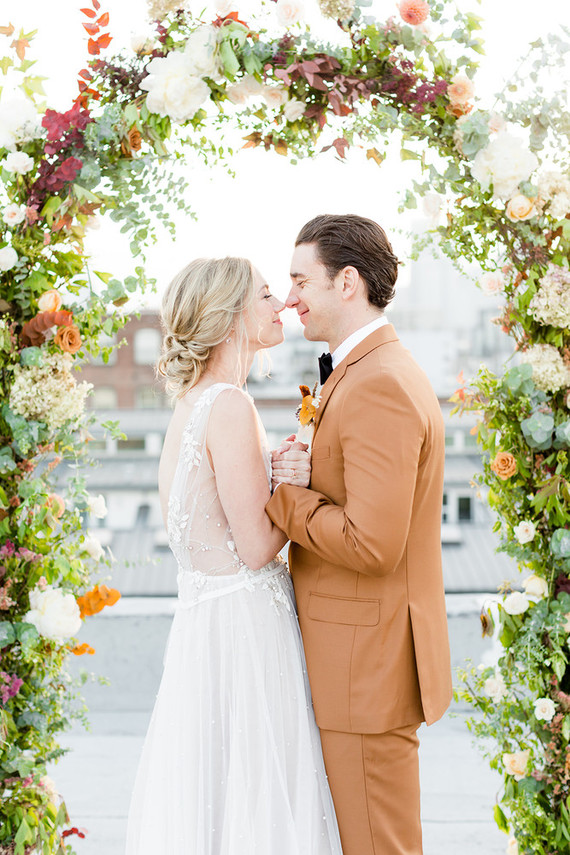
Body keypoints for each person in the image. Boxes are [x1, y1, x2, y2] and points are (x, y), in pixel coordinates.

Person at [125, 257, 343, 855]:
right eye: (267, 295)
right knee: (260, 799)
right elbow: (255, 547)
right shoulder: (229, 406)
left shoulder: (192, 406)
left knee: (217, 800)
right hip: (246, 631)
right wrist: (296, 485)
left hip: (205, 629)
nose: (280, 306)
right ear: (229, 317)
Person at [268, 214, 452, 855]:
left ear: (347, 282)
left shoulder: (378, 384)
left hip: (363, 670)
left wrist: (287, 499)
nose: (289, 297)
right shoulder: (364, 371)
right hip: (354, 662)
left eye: (300, 280)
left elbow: (373, 545)